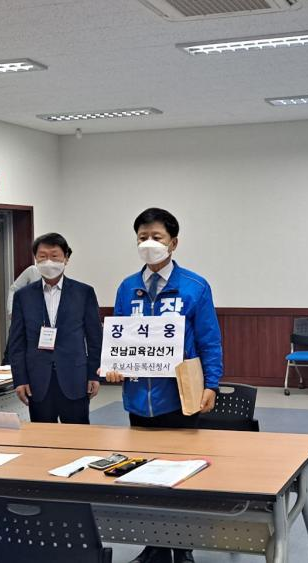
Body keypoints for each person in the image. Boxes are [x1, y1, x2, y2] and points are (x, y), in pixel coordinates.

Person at [105, 208, 223, 563]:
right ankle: (154, 545)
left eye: (156, 237)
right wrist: (114, 366)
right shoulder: (128, 287)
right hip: (139, 399)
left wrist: (212, 384)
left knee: (180, 475)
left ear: (173, 243)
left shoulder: (194, 286)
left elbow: (210, 340)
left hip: (180, 396)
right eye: (142, 237)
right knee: (144, 474)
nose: (148, 243)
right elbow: (120, 338)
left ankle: (182, 548)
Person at [8, 232, 102, 424]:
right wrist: (20, 379)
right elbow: (16, 343)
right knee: (42, 436)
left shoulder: (84, 292)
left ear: (66, 258)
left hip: (75, 378)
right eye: (42, 256)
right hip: (37, 381)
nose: (48, 262)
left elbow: (95, 339)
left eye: (54, 256)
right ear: (35, 259)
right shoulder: (23, 296)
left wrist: (94, 374)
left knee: (78, 435)